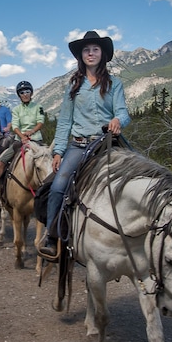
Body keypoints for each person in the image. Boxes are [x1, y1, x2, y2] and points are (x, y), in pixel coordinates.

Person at [39, 30, 130, 259]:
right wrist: (59, 151)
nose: (91, 53)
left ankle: (136, 234)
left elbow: (123, 112)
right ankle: (52, 236)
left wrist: (118, 120)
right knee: (59, 185)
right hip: (79, 145)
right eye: (86, 50)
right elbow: (65, 122)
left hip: (107, 143)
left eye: (95, 49)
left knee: (138, 176)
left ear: (103, 53)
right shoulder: (73, 86)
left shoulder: (114, 84)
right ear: (81, 56)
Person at [0, 81, 45, 201]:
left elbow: (40, 122)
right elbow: (15, 125)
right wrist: (22, 136)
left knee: (49, 159)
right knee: (2, 161)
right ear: (19, 95)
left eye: (27, 92)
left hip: (36, 140)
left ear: (31, 93)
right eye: (22, 92)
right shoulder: (16, 109)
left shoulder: (38, 107)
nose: (25, 94)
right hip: (19, 141)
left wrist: (31, 132)